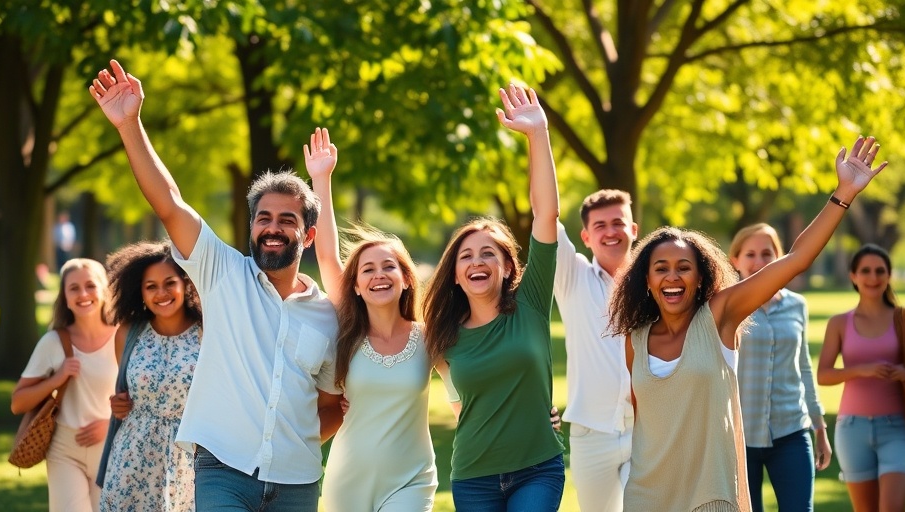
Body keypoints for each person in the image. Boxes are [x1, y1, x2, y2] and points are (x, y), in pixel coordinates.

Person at [89, 59, 344, 511]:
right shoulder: (223, 273)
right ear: (251, 227)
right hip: (222, 471)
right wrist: (130, 124)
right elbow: (169, 203)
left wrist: (286, 439)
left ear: (306, 235)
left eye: (287, 221)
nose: (272, 228)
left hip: (298, 482)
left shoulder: (327, 316)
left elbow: (327, 408)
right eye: (263, 218)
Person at [606, 136, 887, 511]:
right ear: (646, 280)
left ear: (701, 278)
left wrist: (843, 194)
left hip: (712, 495)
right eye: (661, 268)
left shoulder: (720, 316)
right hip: (647, 497)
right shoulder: (635, 340)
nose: (672, 277)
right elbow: (647, 421)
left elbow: (796, 259)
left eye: (684, 268)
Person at [422, 84, 564, 511]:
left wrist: (538, 135)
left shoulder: (532, 303)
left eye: (489, 253)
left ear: (507, 267)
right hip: (473, 477)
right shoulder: (441, 337)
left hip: (538, 468)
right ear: (456, 276)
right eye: (466, 256)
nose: (477, 261)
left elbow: (546, 213)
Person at [304, 127, 461, 511]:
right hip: (348, 481)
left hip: (411, 479)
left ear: (406, 278)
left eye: (388, 266)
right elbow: (327, 256)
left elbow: (465, 398)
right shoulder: (347, 329)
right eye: (367, 270)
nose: (378, 275)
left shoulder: (428, 338)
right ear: (354, 286)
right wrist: (320, 179)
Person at [727, 223, 831, 512]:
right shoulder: (725, 306)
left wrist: (820, 427)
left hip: (792, 431)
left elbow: (803, 367)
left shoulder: (797, 305)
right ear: (735, 260)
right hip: (738, 436)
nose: (759, 262)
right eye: (750, 254)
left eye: (767, 254)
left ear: (779, 257)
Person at [97, 241, 203, 512]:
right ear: (141, 292)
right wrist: (119, 403)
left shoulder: (207, 332)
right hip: (132, 457)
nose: (161, 293)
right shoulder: (128, 333)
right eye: (151, 286)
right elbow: (127, 391)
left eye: (170, 283)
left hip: (189, 459)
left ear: (185, 283)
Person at [11, 258, 119, 512]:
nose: (83, 294)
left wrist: (110, 423)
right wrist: (57, 378)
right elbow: (18, 403)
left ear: (104, 290)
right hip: (65, 449)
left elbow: (140, 395)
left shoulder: (122, 335)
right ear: (65, 297)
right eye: (73, 288)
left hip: (112, 445)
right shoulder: (53, 342)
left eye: (90, 285)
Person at [552, 189, 637, 512]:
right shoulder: (572, 277)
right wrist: (537, 136)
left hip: (646, 431)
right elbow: (546, 214)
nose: (611, 231)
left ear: (634, 230)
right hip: (590, 433)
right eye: (600, 225)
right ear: (586, 237)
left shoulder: (656, 282)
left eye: (618, 222)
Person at [817, 243, 905, 512]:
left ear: (889, 275)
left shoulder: (903, 319)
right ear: (853, 276)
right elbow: (823, 375)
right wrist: (861, 370)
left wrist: (904, 374)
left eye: (880, 271)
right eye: (865, 271)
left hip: (898, 428)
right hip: (852, 429)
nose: (873, 277)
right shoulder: (839, 323)